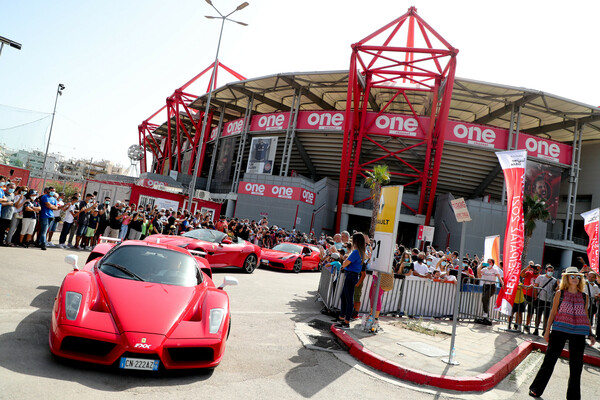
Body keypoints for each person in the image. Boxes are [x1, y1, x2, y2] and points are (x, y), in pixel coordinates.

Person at [529, 266, 595, 399]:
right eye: (572, 276)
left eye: (578, 277)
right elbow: (553, 313)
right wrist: (547, 331)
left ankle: (573, 396)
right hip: (559, 330)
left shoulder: (584, 296)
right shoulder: (560, 293)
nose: (575, 278)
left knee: (576, 366)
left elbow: (586, 315)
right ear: (566, 278)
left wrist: (591, 333)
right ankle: (536, 388)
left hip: (578, 332)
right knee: (549, 361)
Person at [335, 232, 366, 329]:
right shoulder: (361, 252)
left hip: (350, 275)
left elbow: (345, 263)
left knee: (348, 299)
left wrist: (344, 262)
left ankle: (346, 321)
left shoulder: (356, 252)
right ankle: (342, 318)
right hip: (353, 275)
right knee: (344, 297)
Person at [477, 259, 504, 325]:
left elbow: (499, 277)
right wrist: (481, 264)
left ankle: (485, 314)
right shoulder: (485, 269)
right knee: (486, 300)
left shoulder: (495, 270)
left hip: (492, 286)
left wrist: (502, 284)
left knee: (484, 298)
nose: (488, 263)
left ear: (492, 263)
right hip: (485, 286)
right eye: (487, 262)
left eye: (490, 262)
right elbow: (478, 272)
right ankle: (486, 316)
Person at [533, 264, 558, 336]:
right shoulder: (540, 277)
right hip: (540, 299)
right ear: (546, 270)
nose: (550, 272)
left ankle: (545, 330)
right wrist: (535, 297)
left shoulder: (554, 280)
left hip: (549, 301)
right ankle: (536, 329)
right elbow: (536, 287)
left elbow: (556, 290)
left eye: (551, 271)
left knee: (547, 317)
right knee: (538, 315)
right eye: (548, 270)